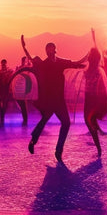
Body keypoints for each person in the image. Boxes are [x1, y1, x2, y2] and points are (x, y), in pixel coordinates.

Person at [21, 35, 86, 163]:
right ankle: (36, 141)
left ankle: (56, 149)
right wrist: (24, 47)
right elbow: (31, 58)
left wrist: (87, 59)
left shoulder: (61, 62)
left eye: (52, 49)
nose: (50, 51)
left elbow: (75, 64)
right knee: (47, 119)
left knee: (63, 123)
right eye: (48, 49)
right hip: (50, 100)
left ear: (55, 49)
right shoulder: (44, 64)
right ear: (46, 51)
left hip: (59, 100)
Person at [83, 47, 107, 157]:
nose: (89, 57)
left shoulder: (96, 71)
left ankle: (98, 146)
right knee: (89, 121)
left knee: (89, 121)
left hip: (92, 98)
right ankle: (98, 145)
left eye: (90, 55)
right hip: (90, 97)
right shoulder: (91, 69)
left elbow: (100, 87)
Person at [0, 59, 14, 128]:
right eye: (2, 64)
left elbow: (11, 77)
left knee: (5, 105)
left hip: (6, 90)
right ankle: (1, 118)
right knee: (0, 106)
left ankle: (2, 116)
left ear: (6, 63)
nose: (3, 65)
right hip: (0, 90)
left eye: (4, 64)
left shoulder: (8, 71)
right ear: (1, 64)